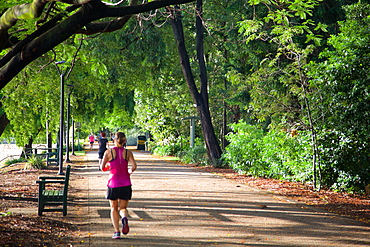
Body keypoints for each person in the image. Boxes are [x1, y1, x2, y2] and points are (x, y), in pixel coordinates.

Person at [100, 132, 137, 239]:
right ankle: (124, 218)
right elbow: (134, 166)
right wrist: (130, 170)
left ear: (114, 140)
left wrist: (108, 167)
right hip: (126, 183)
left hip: (113, 183)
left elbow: (102, 168)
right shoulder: (128, 153)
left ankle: (116, 232)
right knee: (123, 208)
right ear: (125, 141)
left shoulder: (108, 152)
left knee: (113, 208)